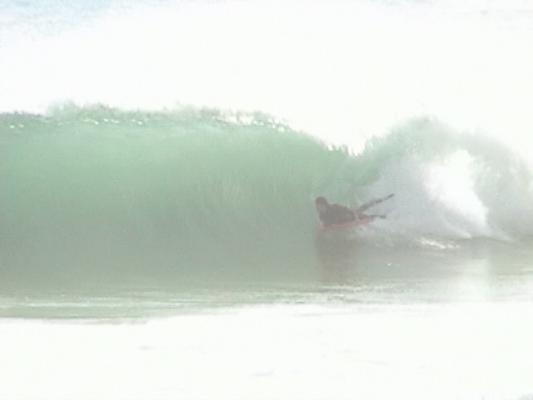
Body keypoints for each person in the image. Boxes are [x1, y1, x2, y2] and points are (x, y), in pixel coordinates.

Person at [315, 194, 394, 228]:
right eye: (317, 207)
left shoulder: (335, 207)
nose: (319, 209)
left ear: (325, 204)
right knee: (364, 207)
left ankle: (383, 202)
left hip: (351, 216)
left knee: (368, 212)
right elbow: (325, 224)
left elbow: (348, 210)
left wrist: (356, 218)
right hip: (346, 219)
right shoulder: (321, 215)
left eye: (320, 206)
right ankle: (379, 205)